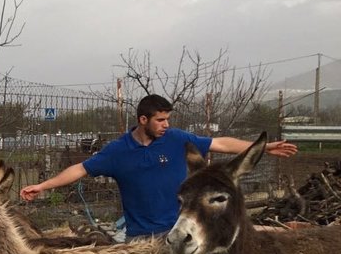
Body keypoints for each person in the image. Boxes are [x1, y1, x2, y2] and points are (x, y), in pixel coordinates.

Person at [20, 94, 298, 240]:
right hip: (141, 238)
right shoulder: (117, 152)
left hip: (181, 232)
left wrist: (263, 148)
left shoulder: (177, 139)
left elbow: (220, 143)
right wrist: (43, 186)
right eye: (160, 120)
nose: (166, 125)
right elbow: (80, 169)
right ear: (143, 120)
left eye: (168, 119)